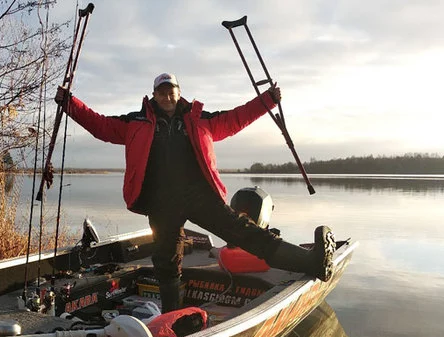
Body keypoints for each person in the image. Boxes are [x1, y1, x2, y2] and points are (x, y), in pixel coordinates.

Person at [55, 73, 335, 313]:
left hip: (200, 196)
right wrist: (70, 104)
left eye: (171, 90)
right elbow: (100, 125)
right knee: (166, 261)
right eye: (161, 91)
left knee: (243, 232)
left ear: (179, 93)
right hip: (161, 202)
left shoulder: (201, 119)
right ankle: (172, 321)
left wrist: (267, 100)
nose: (167, 95)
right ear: (153, 95)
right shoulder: (135, 122)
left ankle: (309, 262)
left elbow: (238, 117)